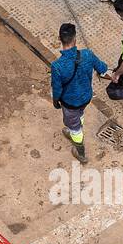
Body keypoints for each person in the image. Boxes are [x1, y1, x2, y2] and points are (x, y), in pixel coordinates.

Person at [51, 22, 107, 164]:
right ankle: (75, 128)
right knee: (79, 114)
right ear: (75, 39)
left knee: (74, 127)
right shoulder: (88, 54)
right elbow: (102, 68)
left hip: (70, 103)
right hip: (86, 97)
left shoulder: (57, 66)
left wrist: (55, 101)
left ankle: (80, 152)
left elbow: (57, 89)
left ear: (60, 39)